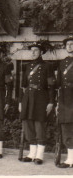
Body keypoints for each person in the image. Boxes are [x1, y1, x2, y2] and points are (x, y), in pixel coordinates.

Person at [18, 41, 55, 165]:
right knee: (28, 125)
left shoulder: (47, 66)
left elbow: (51, 86)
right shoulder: (27, 66)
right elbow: (22, 86)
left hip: (41, 97)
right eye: (32, 50)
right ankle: (31, 153)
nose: (33, 52)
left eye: (36, 50)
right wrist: (20, 102)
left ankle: (39, 155)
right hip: (27, 97)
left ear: (41, 52)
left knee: (39, 125)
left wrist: (51, 102)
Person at [56, 36, 73, 168]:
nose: (70, 46)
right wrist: (57, 102)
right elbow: (58, 83)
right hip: (65, 97)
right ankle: (70, 159)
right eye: (67, 45)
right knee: (67, 127)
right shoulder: (62, 63)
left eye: (72, 44)